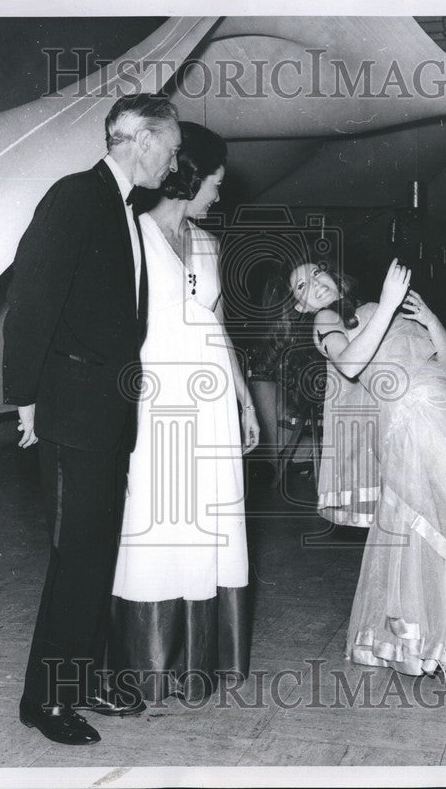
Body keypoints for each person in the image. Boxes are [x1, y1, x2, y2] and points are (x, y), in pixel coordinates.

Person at [2, 94, 181, 745]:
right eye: (172, 146)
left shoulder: (124, 208)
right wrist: (25, 397)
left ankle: (82, 680)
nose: (175, 159)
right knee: (78, 557)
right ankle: (45, 702)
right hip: (73, 410)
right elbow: (31, 299)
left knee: (94, 554)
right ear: (142, 140)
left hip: (104, 411)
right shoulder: (76, 197)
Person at [267, 258, 446, 706]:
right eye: (300, 285)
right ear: (299, 306)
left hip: (440, 408)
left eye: (316, 273)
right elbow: (350, 364)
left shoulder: (374, 307)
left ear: (333, 275)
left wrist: (430, 319)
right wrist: (390, 304)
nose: (313, 285)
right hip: (410, 418)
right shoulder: (326, 320)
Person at [107, 122, 259, 702]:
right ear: (188, 176)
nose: (219, 193)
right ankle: (151, 665)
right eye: (214, 182)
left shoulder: (208, 242)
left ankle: (203, 662)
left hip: (213, 401)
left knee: (210, 521)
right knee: (158, 516)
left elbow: (218, 325)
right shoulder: (133, 236)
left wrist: (245, 399)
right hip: (158, 399)